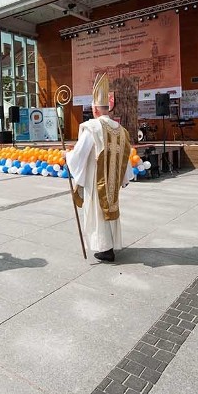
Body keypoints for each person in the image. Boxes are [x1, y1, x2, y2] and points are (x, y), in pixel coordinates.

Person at [65, 74, 134, 263]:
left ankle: (105, 249)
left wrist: (67, 156)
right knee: (109, 210)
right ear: (107, 109)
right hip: (112, 182)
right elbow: (126, 154)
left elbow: (80, 154)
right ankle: (110, 244)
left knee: (97, 211)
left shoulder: (92, 127)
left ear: (95, 109)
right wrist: (125, 177)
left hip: (97, 180)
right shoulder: (121, 130)